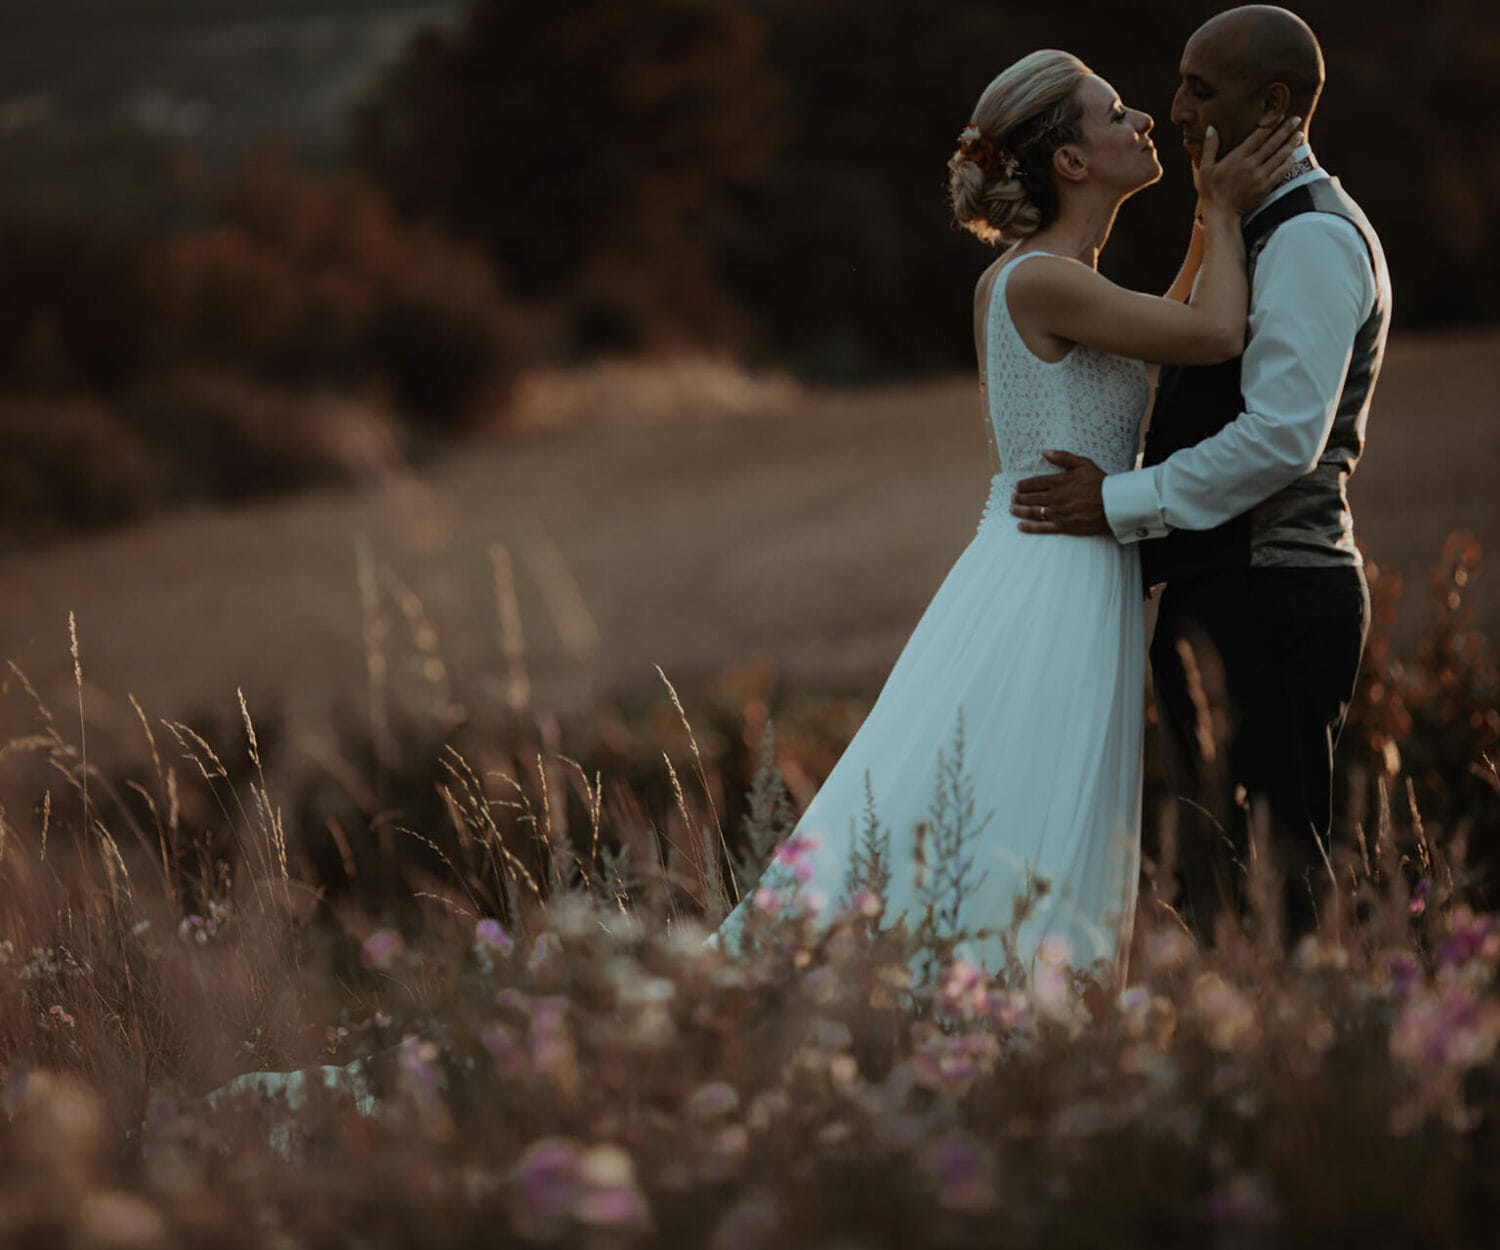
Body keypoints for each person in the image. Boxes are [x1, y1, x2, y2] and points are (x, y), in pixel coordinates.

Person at [709, 48, 1298, 984]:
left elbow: (1168, 315)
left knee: (1015, 798)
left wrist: (1203, 217)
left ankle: (980, 1005)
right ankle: (971, 1002)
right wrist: (1224, 211)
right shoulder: (1040, 281)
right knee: (1021, 800)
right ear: (1070, 161)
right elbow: (1215, 331)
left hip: (1054, 559)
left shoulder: (1058, 277)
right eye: (1115, 113)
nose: (1145, 120)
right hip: (1052, 577)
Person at [1008, 6, 1390, 941]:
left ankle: (1297, 1072)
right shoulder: (1251, 228)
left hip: (1273, 593)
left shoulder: (1308, 239)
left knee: (1275, 892)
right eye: (1177, 83)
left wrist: (1116, 502)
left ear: (1273, 104)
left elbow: (1279, 440)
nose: (1174, 109)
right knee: (1229, 885)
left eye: (1200, 89)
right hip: (1229, 593)